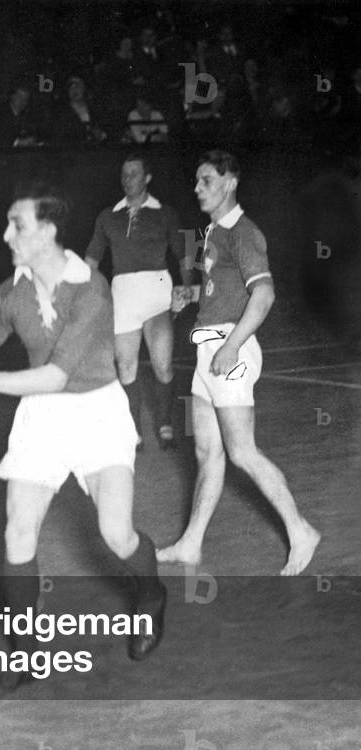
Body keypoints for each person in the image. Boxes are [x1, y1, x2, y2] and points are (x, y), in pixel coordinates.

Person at [0, 181, 167, 677]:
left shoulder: (91, 288)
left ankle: (151, 595)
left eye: (18, 225)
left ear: (49, 230)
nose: (6, 234)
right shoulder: (8, 294)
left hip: (96, 413)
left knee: (116, 533)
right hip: (41, 416)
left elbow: (56, 374)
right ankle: (24, 647)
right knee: (18, 531)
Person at [158, 151, 321, 575]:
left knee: (242, 451)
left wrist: (232, 346)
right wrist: (190, 297)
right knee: (206, 451)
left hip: (230, 351)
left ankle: (301, 530)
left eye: (207, 181)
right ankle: (191, 543)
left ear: (231, 183)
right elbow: (221, 291)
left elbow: (264, 295)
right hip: (207, 351)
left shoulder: (244, 233)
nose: (197, 189)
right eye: (196, 180)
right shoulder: (213, 231)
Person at [85, 154, 187, 450]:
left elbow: (184, 254)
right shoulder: (108, 216)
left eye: (133, 173)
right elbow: (91, 259)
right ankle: (134, 430)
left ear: (147, 178)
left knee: (162, 366)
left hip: (157, 293)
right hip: (123, 296)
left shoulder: (165, 213)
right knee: (126, 367)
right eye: (124, 174)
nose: (127, 179)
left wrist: (186, 286)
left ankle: (165, 423)